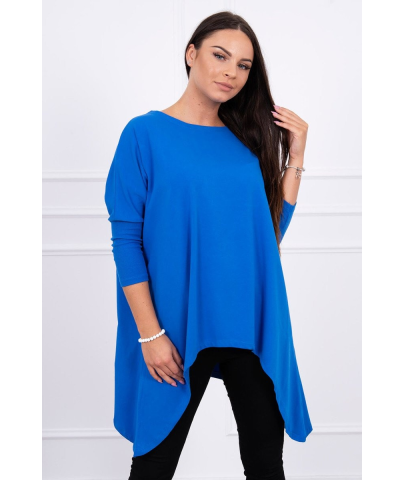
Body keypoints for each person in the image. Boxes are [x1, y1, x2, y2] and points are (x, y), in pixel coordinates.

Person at [104, 11, 312, 480]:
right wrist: (151, 335)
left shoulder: (247, 142)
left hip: (251, 325)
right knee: (154, 465)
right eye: (220, 56)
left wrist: (295, 156)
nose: (231, 72)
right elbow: (126, 242)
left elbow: (265, 238)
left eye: (243, 65)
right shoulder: (144, 134)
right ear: (191, 54)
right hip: (176, 328)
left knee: (266, 465)